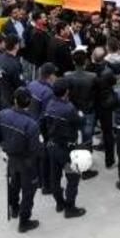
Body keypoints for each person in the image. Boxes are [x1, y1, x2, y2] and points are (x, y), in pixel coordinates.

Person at [0, 88, 43, 233]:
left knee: (13, 185)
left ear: (15, 100)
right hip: (27, 163)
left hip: (11, 159)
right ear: (29, 103)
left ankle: (14, 208)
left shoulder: (3, 114)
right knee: (28, 192)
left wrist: (4, 146)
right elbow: (36, 149)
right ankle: (24, 221)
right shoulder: (31, 124)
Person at [43, 79, 87, 219]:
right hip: (67, 152)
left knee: (55, 178)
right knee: (72, 179)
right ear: (66, 91)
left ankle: (59, 203)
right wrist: (80, 114)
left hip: (52, 147)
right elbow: (80, 123)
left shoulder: (49, 104)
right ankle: (70, 208)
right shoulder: (69, 109)